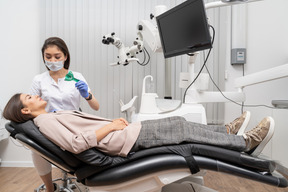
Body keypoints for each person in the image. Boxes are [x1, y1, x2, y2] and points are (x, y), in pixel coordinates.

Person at [3, 93, 275, 160]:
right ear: (26, 110)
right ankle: (244, 143)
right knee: (181, 132)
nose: (35, 95)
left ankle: (226, 131)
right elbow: (75, 144)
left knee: (179, 124)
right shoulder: (46, 121)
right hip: (121, 140)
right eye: (30, 97)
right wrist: (111, 128)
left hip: (122, 134)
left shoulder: (48, 116)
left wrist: (112, 124)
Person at [29, 37, 100, 192]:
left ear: (65, 56)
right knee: (36, 149)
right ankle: (50, 188)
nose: (52, 60)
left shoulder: (76, 77)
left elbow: (96, 107)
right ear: (43, 57)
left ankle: (89, 182)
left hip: (72, 124)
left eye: (57, 56)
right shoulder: (39, 80)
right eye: (48, 57)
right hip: (50, 125)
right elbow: (32, 107)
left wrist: (87, 95)